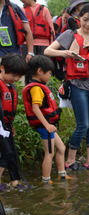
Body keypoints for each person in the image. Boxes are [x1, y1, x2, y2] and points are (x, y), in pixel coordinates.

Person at [44, 3, 89, 171]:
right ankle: (70, 160)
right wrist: (64, 53)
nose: (88, 24)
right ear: (79, 18)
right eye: (85, 20)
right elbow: (48, 51)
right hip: (78, 85)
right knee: (82, 124)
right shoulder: (70, 35)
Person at [22, 55, 69, 184]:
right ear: (40, 72)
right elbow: (35, 108)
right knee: (49, 153)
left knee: (61, 148)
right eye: (49, 73)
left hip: (48, 125)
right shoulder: (36, 88)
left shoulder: (40, 86)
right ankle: (46, 181)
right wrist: (47, 125)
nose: (50, 76)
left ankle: (62, 175)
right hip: (45, 126)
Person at [0, 54, 27, 190]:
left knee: (12, 153)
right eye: (14, 75)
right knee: (5, 153)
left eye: (19, 77)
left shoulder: (11, 86)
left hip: (7, 125)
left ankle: (14, 181)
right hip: (0, 127)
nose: (16, 79)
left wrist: (11, 125)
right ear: (2, 68)